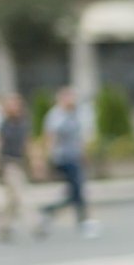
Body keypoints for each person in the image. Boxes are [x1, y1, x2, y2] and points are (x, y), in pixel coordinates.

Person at [34, 87, 100, 239]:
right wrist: (45, 159)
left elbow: (79, 137)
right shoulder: (56, 115)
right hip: (62, 158)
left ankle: (49, 212)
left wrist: (84, 154)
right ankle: (82, 222)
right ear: (61, 99)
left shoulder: (75, 114)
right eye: (69, 97)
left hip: (75, 156)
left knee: (75, 192)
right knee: (77, 190)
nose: (72, 100)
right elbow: (50, 137)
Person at [0, 93, 33, 242]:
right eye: (12, 104)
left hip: (19, 162)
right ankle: (36, 222)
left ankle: (3, 226)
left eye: (17, 104)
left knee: (10, 199)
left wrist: (34, 163)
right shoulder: (3, 125)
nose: (15, 107)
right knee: (21, 193)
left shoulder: (23, 124)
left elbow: (27, 144)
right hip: (7, 163)